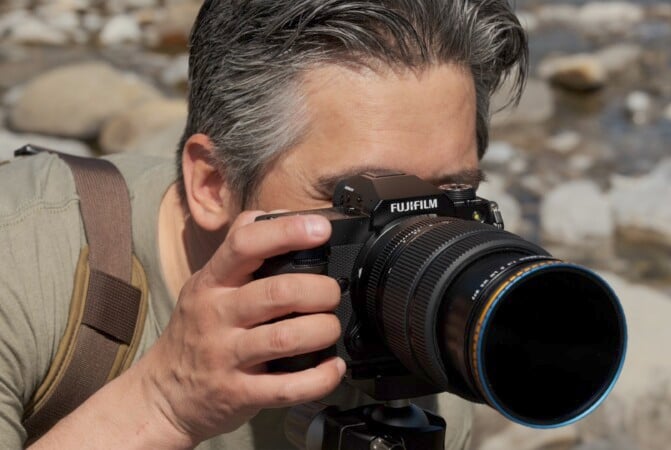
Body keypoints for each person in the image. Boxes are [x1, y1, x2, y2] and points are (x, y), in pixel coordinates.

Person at [0, 0, 527, 448]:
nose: (421, 244)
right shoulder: (22, 260)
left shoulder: (430, 346)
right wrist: (162, 402)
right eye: (356, 198)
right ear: (213, 184)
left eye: (450, 194)